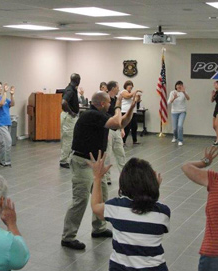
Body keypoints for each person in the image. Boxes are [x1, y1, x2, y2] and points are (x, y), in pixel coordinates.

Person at [61, 91, 140, 250]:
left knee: (101, 195)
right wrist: (118, 102)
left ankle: (99, 228)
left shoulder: (100, 115)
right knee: (80, 200)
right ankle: (68, 237)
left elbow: (122, 123)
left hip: (96, 164)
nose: (111, 106)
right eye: (109, 103)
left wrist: (131, 106)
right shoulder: (91, 115)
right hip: (83, 163)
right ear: (102, 103)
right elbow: (118, 122)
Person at [90, 151, 170, 271]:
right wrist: (154, 189)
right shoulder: (163, 213)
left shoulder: (116, 208)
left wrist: (97, 178)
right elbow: (149, 206)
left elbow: (96, 206)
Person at [104, 81, 126, 186]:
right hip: (108, 130)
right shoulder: (105, 99)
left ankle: (124, 175)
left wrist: (121, 128)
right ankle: (107, 176)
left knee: (120, 153)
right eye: (117, 87)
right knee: (107, 153)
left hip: (116, 129)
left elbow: (119, 114)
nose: (118, 89)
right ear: (113, 88)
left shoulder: (116, 100)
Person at [60, 73, 81, 169]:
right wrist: (71, 112)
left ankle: (66, 158)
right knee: (68, 139)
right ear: (78, 81)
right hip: (69, 117)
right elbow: (64, 102)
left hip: (68, 116)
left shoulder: (71, 88)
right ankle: (64, 160)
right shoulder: (70, 90)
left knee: (68, 138)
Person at [168, 80, 190, 146]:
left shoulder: (184, 92)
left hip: (182, 112)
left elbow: (188, 98)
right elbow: (168, 102)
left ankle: (180, 140)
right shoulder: (172, 92)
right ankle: (175, 137)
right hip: (174, 112)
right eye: (178, 85)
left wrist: (184, 92)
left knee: (180, 126)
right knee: (175, 128)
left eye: (181, 85)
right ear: (176, 86)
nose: (179, 86)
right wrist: (174, 98)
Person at [121, 80, 142, 145]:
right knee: (127, 127)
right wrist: (135, 91)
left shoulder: (132, 93)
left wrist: (138, 98)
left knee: (134, 126)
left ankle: (134, 140)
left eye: (131, 86)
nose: (130, 87)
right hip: (125, 111)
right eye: (129, 86)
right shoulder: (124, 92)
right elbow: (127, 96)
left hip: (133, 111)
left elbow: (135, 100)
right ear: (126, 86)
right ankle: (123, 141)